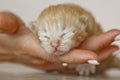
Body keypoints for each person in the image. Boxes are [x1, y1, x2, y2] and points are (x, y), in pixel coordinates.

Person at [0, 11, 119, 74]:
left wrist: (90, 58)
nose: (54, 45)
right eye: (45, 36)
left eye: (65, 34)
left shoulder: (88, 22)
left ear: (83, 24)